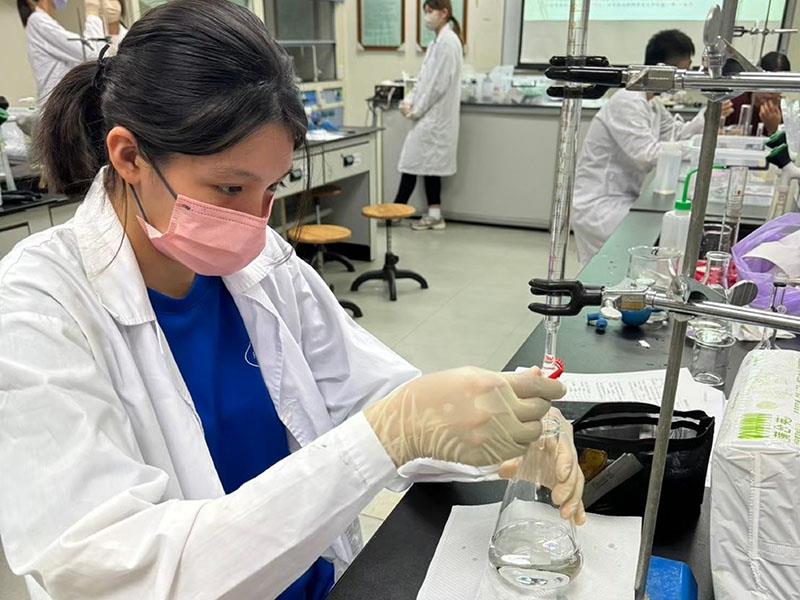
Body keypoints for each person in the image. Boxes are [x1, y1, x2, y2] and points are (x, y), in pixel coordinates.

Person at [0, 2, 585, 599]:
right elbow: (120, 572)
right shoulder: (37, 307)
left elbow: (371, 393)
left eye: (271, 187)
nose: (255, 221)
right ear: (129, 157)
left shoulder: (261, 265)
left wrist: (502, 433)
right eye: (231, 187)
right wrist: (389, 435)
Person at [571, 29, 733, 266]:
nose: (683, 80)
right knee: (607, 269)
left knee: (629, 263)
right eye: (681, 72)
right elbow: (647, 155)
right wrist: (698, 148)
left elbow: (675, 134)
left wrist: (707, 118)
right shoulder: (627, 101)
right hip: (600, 205)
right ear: (662, 69)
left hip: (623, 198)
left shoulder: (652, 103)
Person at [394, 0, 463, 231]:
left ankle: (396, 211)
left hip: (435, 118)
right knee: (427, 166)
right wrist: (409, 100)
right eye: (425, 11)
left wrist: (416, 110)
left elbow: (437, 86)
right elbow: (424, 78)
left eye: (430, 11)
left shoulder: (448, 42)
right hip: (430, 116)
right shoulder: (438, 42)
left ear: (444, 13)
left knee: (412, 162)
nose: (427, 16)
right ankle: (434, 214)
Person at [17, 0, 124, 105]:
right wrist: (92, 15)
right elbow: (93, 54)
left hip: (61, 101)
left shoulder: (43, 22)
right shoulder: (38, 21)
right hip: (57, 103)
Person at [726, 51, 791, 136]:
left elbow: (789, 143)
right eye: (767, 83)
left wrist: (774, 130)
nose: (770, 91)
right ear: (756, 78)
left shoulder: (786, 113)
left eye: (777, 86)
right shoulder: (734, 103)